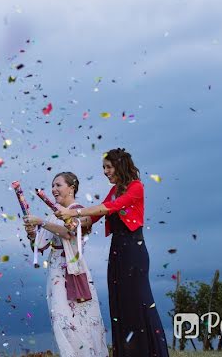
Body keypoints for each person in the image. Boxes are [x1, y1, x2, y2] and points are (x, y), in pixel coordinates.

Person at [55, 149, 170, 357]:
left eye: (109, 167)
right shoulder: (115, 189)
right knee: (120, 303)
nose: (106, 172)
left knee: (139, 300)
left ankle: (150, 352)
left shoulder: (136, 187)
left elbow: (110, 208)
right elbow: (93, 219)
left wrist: (74, 212)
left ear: (120, 165)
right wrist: (75, 222)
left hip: (134, 251)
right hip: (117, 251)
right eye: (104, 168)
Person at [23, 172, 108, 357]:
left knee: (81, 320)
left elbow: (70, 233)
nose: (53, 189)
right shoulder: (53, 214)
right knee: (61, 321)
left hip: (74, 271)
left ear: (72, 187)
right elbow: (39, 247)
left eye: (58, 185)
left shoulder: (79, 211)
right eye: (52, 186)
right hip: (55, 273)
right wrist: (31, 233)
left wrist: (42, 222)